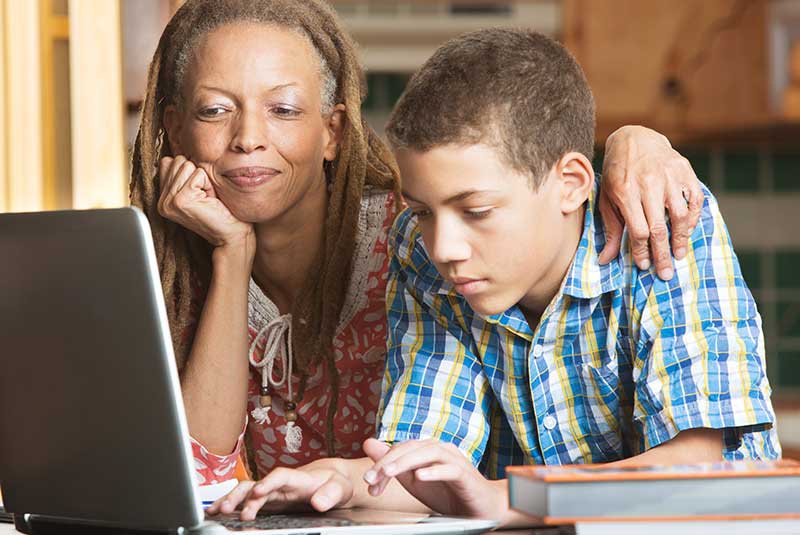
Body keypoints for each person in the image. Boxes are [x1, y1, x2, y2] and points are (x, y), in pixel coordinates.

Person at [131, 0, 705, 504]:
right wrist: (233, 253)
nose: (248, 136)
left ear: (334, 130)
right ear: (174, 130)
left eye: (283, 109)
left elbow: (704, 471)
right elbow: (206, 476)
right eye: (214, 110)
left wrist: (637, 138)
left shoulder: (417, 239)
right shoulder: (168, 264)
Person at [214, 28, 781, 526]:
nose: (445, 247)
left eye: (477, 210)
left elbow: (696, 468)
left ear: (570, 183)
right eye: (423, 210)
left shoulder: (661, 220)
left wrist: (506, 500)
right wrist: (342, 479)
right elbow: (428, 458)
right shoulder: (422, 252)